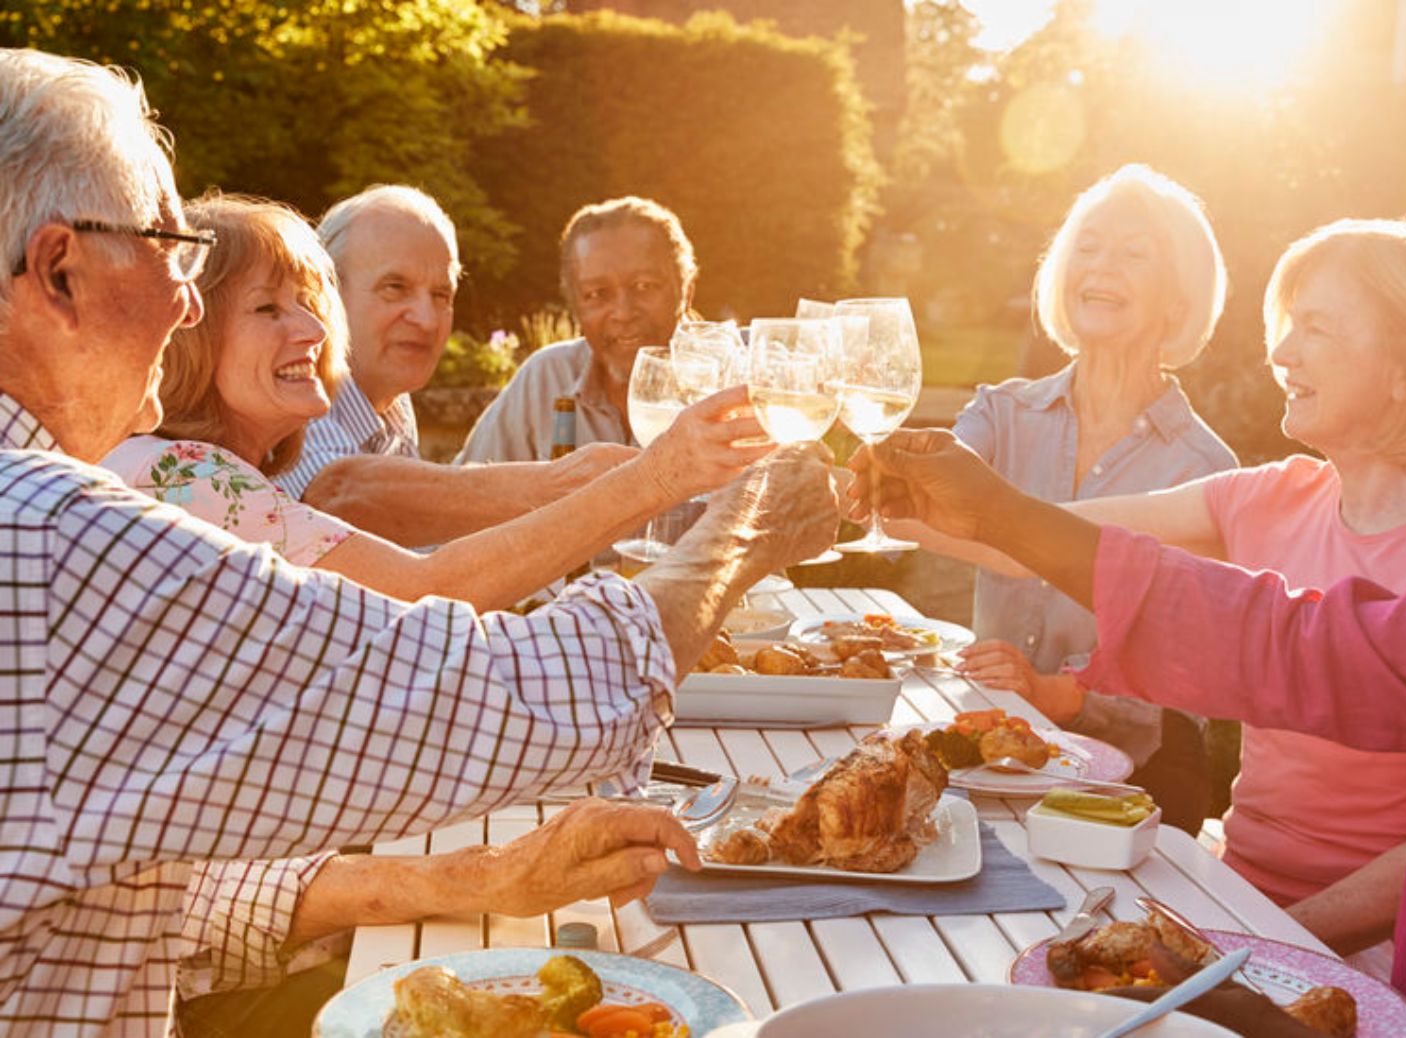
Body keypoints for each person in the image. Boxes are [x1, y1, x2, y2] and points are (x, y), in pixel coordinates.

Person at [0, 48, 838, 1038]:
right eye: (171, 254)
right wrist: (741, 529)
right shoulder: (57, 539)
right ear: (59, 271)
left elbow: (144, 889)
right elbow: (510, 691)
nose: (185, 300)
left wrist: (477, 875)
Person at [848, 275, 1406, 1035]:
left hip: (1333, 948)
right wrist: (982, 512)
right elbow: (1285, 642)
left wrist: (1269, 941)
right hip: (1239, 898)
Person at [102, 193, 770, 610]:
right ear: (188, 328)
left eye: (311, 305)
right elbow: (421, 593)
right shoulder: (187, 479)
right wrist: (647, 480)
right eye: (269, 308)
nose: (312, 329)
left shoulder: (219, 470)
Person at [908, 165, 1238, 834]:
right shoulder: (1001, 414)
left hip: (1139, 773)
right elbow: (923, 496)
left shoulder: (1206, 470)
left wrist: (1056, 693)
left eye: (1133, 252)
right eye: (1087, 246)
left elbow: (1183, 664)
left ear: (1178, 297)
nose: (1101, 266)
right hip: (995, 747)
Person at [278, 185, 638, 547]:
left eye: (441, 295)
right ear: (325, 295)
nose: (428, 320)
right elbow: (337, 499)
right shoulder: (294, 389)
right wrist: (566, 486)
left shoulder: (393, 407)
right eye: (395, 287)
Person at [457, 195, 696, 464]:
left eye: (644, 286)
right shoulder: (547, 378)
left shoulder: (734, 378)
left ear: (686, 290)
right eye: (597, 294)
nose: (624, 313)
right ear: (575, 307)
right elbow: (463, 491)